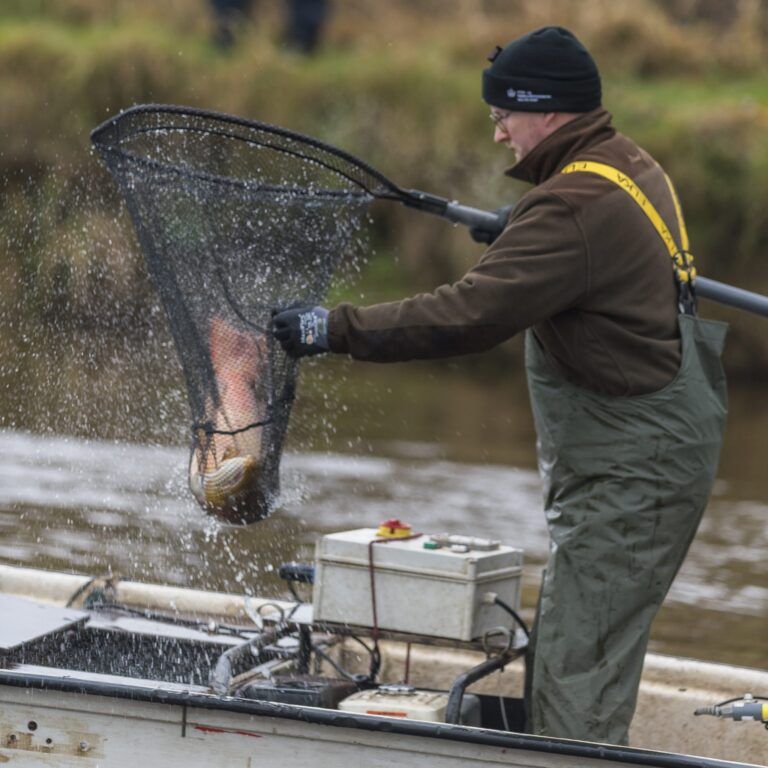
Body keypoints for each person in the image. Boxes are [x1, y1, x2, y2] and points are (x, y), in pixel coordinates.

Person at [271, 26, 727, 745]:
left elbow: (468, 316)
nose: (498, 134)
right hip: (652, 454)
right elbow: (590, 247)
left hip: (632, 474)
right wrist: (523, 231)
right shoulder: (627, 164)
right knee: (575, 647)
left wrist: (333, 328)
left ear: (547, 110)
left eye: (502, 115)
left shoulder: (570, 208)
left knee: (576, 674)